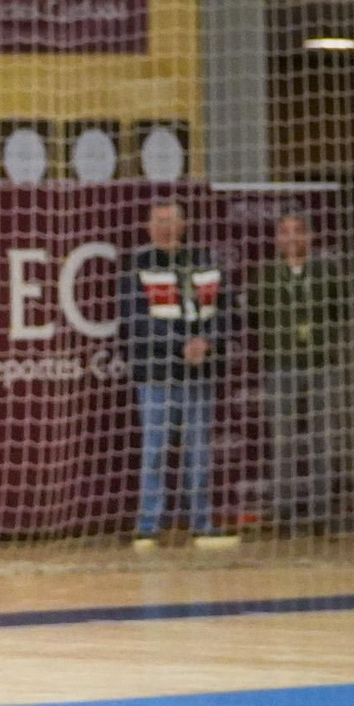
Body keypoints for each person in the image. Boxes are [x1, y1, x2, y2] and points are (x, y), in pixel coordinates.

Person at [122, 200, 235, 550]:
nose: (165, 228)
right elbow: (134, 320)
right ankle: (148, 526)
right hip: (156, 375)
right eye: (159, 221)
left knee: (199, 450)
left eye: (171, 221)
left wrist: (207, 341)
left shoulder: (204, 260)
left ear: (183, 226)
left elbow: (228, 311)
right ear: (148, 227)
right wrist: (181, 344)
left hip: (199, 373)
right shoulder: (138, 264)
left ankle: (203, 524)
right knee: (155, 450)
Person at [252, 212, 354, 534]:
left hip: (321, 363)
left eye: (299, 231)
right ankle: (283, 511)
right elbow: (257, 317)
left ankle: (320, 510)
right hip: (282, 365)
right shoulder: (265, 274)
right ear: (278, 239)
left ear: (309, 237)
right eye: (286, 232)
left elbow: (339, 313)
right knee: (283, 439)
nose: (293, 237)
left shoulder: (327, 271)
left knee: (322, 438)